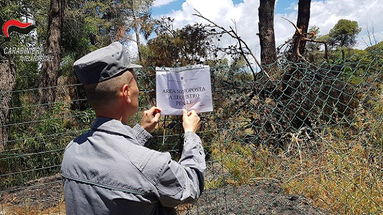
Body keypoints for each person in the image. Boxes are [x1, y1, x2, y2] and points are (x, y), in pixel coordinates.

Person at [61, 42, 206, 215]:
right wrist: (190, 134)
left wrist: (141, 132)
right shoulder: (152, 165)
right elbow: (191, 186)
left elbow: (116, 159)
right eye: (135, 80)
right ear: (126, 92)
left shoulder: (71, 152)